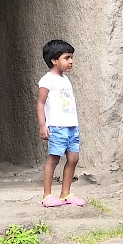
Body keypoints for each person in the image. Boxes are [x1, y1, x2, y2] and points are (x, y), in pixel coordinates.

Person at [36, 39, 85, 208]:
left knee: (73, 158)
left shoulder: (65, 80)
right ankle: (47, 195)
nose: (71, 61)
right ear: (54, 60)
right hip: (57, 127)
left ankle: (66, 193)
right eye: (67, 57)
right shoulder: (47, 80)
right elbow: (41, 103)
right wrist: (43, 125)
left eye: (71, 58)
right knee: (54, 159)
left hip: (72, 126)